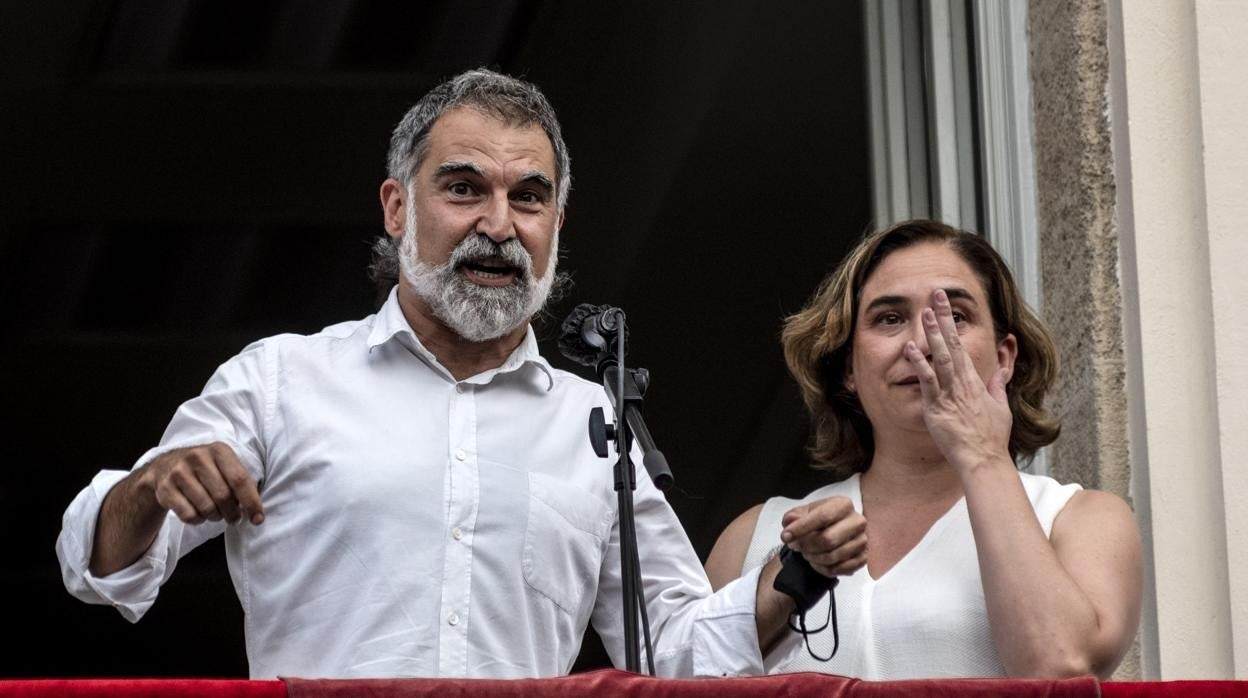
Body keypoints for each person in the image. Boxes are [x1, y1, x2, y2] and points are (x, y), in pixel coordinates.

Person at [55, 68, 854, 680]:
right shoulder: (279, 381)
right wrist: (149, 486)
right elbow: (99, 572)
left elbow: (676, 649)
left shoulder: (595, 424)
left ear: (557, 225)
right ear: (398, 208)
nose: (499, 226)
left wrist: (797, 575)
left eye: (529, 198)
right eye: (464, 188)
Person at [705, 219, 1142, 680]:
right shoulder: (754, 538)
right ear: (847, 366)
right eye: (889, 319)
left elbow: (1059, 671)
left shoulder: (1080, 519)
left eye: (955, 316)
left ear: (1005, 357)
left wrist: (982, 454)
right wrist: (794, 572)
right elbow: (688, 677)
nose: (922, 343)